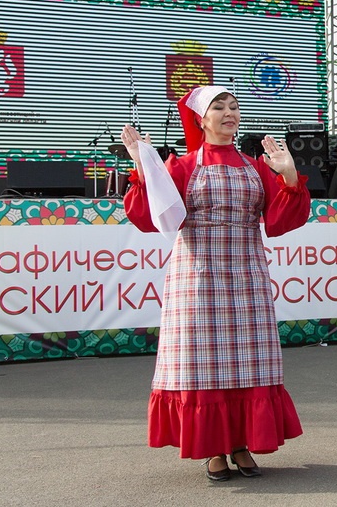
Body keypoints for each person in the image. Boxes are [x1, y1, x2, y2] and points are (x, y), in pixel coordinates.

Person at [121, 85, 311, 481]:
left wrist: (289, 174)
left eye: (233, 106)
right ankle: (213, 449)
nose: (229, 112)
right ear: (201, 119)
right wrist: (143, 168)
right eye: (218, 107)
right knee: (204, 362)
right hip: (197, 274)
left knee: (248, 359)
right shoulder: (182, 166)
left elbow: (282, 219)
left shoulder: (256, 166)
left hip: (247, 271)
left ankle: (241, 443)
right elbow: (146, 217)